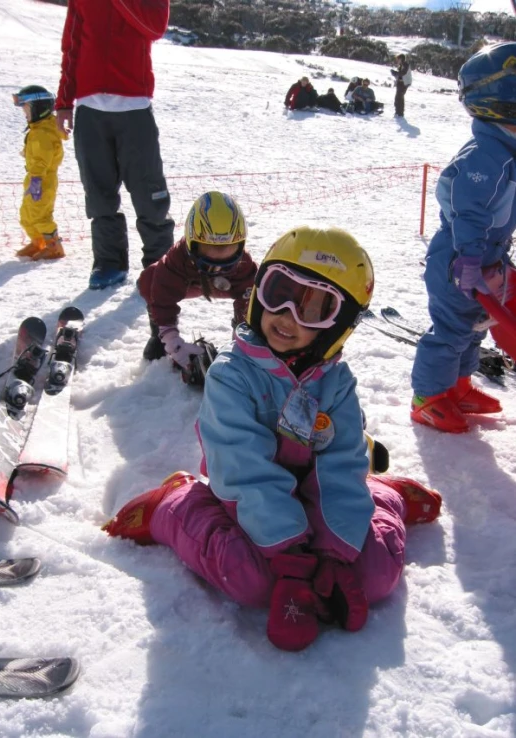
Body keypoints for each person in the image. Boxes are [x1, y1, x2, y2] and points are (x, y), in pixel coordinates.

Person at [105, 226, 442, 652]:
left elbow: (339, 463)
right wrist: (289, 558)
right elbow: (243, 470)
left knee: (375, 578)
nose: (287, 315)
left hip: (311, 495)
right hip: (240, 498)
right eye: (278, 292)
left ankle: (382, 498)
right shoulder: (232, 374)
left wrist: (335, 553)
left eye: (315, 307)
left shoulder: (335, 384)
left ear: (339, 324)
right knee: (251, 582)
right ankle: (173, 506)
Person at [411, 42, 516, 434]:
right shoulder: (486, 155)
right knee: (451, 331)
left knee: (475, 327)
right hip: (457, 261)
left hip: (488, 258)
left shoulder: (507, 150)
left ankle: (457, 386)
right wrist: (470, 258)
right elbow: (468, 209)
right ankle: (427, 397)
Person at [54, 0, 175, 290]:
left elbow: (155, 27)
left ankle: (160, 267)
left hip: (134, 108)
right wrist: (63, 102)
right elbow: (72, 46)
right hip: (89, 110)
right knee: (99, 195)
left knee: (149, 193)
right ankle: (109, 263)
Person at [137, 191, 257, 368]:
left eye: (228, 248)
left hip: (225, 285)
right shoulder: (177, 258)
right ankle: (158, 336)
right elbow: (163, 296)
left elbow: (249, 299)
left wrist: (242, 341)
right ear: (192, 242)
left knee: (258, 289)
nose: (220, 257)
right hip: (190, 283)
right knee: (149, 278)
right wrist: (172, 340)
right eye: (211, 247)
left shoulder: (244, 264)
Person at [13, 86, 67, 261]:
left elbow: (42, 159)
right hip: (34, 178)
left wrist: (36, 179)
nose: (25, 113)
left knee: (40, 214)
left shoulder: (43, 133)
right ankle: (39, 242)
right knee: (27, 213)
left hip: (43, 179)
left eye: (26, 109)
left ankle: (54, 247)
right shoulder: (38, 130)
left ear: (39, 108)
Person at [391, 54, 412, 118]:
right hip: (400, 83)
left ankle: (400, 113)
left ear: (401, 59)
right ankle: (398, 111)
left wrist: (395, 73)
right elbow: (400, 75)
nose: (397, 60)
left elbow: (403, 73)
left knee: (400, 97)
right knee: (398, 97)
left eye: (398, 59)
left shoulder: (405, 65)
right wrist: (394, 73)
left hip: (404, 83)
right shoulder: (401, 65)